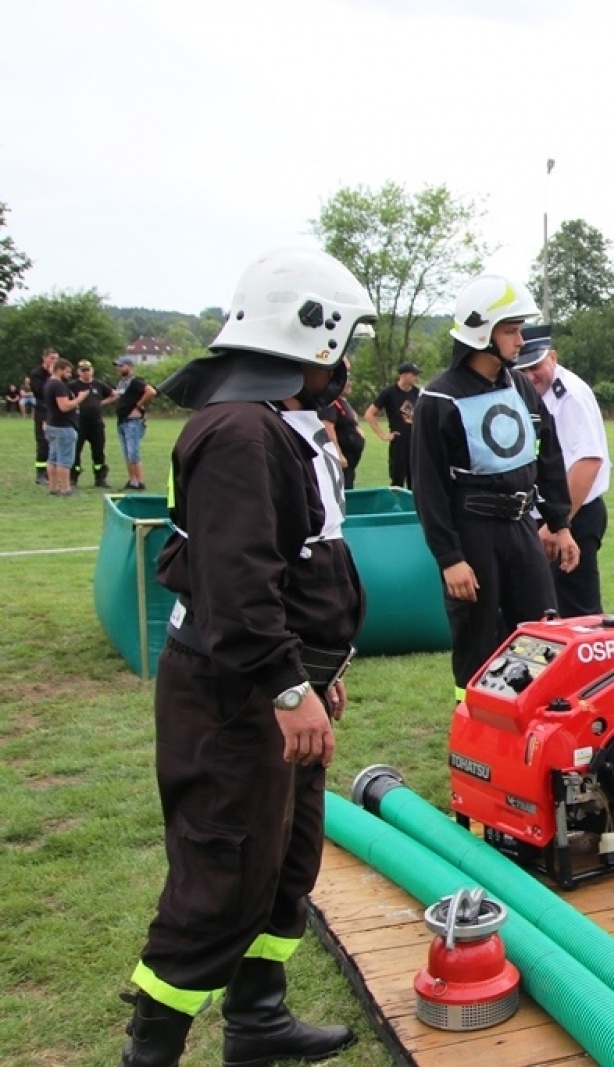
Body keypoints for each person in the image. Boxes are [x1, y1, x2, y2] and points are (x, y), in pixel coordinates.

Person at [119, 247, 374, 1066]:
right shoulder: (237, 432)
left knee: (286, 861)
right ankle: (150, 1050)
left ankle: (257, 1019)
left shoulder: (277, 424)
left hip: (276, 686)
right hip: (235, 698)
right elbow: (236, 583)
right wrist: (284, 682)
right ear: (314, 335)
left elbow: (295, 562)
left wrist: (313, 676)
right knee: (224, 874)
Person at [412, 275, 578, 700]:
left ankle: (535, 722)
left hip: (521, 527)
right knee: (477, 636)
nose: (520, 340)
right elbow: (427, 485)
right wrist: (450, 558)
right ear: (481, 333)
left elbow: (548, 454)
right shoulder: (439, 398)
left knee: (542, 630)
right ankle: (474, 729)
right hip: (472, 533)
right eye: (511, 331)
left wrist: (560, 523)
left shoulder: (520, 385)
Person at [514, 325, 612, 617]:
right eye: (522, 369)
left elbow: (588, 462)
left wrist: (559, 524)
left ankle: (593, 664)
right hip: (540, 516)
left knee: (578, 615)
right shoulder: (527, 393)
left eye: (536, 366)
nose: (531, 376)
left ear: (552, 357)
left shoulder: (569, 396)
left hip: (573, 515)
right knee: (539, 609)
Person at [364, 361, 420, 489]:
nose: (416, 377)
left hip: (415, 443)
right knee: (397, 481)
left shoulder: (418, 393)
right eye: (414, 374)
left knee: (415, 481)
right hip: (399, 442)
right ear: (404, 375)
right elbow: (369, 414)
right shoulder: (389, 393)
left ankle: (413, 508)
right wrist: (383, 435)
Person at [41, 356, 86, 496]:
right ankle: (66, 489)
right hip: (63, 427)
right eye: (67, 372)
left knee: (52, 459)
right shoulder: (59, 385)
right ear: (59, 370)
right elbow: (64, 406)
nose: (69, 375)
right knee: (64, 460)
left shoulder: (49, 383)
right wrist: (80, 398)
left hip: (52, 425)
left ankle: (54, 488)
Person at [113, 355, 159, 490]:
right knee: (126, 452)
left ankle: (140, 481)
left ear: (130, 367)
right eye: (118, 366)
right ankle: (132, 480)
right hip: (122, 420)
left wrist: (138, 406)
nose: (119, 368)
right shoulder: (122, 382)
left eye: (122, 366)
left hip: (132, 421)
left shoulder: (136, 381)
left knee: (133, 452)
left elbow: (151, 391)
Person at [70, 359, 115, 488]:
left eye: (88, 370)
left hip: (96, 424)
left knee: (98, 451)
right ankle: (73, 477)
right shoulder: (73, 385)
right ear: (78, 372)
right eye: (83, 370)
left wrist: (101, 403)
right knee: (76, 451)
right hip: (79, 423)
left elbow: (113, 394)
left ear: (92, 370)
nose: (86, 373)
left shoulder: (98, 384)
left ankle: (100, 477)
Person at [318, 375, 365, 489]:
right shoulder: (331, 403)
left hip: (350, 461)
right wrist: (338, 454)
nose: (349, 384)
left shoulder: (343, 402)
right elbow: (328, 426)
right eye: (346, 381)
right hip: (342, 458)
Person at [28, 348, 57, 485]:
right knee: (43, 441)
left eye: (56, 358)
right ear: (44, 358)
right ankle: (40, 473)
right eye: (52, 358)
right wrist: (51, 376)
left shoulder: (59, 373)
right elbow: (41, 391)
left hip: (56, 410)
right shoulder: (36, 374)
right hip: (42, 410)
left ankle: (54, 471)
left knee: (56, 441)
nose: (54, 361)